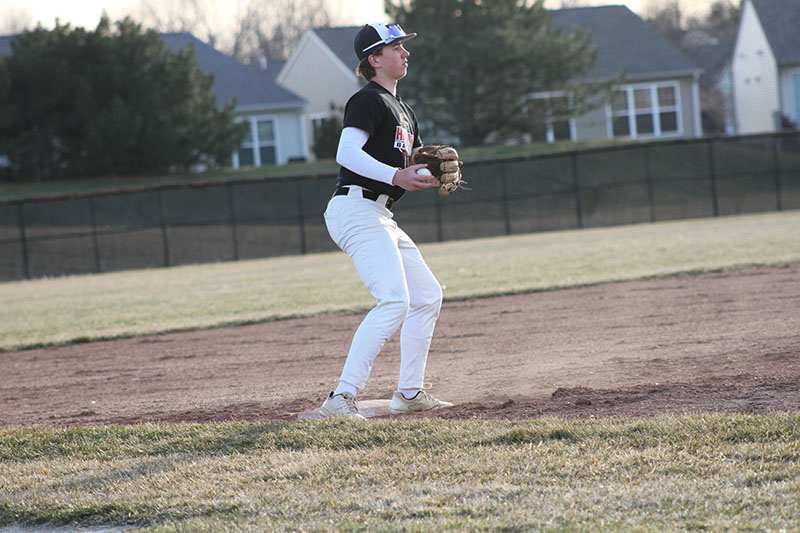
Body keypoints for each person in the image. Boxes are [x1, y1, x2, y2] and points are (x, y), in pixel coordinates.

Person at [319, 22, 454, 419]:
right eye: (395, 47)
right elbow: (347, 153)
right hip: (355, 208)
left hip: (380, 213)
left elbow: (402, 164)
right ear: (374, 59)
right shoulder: (367, 100)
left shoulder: (404, 111)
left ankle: (408, 394)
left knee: (426, 296)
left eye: (403, 46)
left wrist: (423, 171)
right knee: (395, 299)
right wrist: (397, 176)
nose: (405, 52)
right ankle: (340, 399)